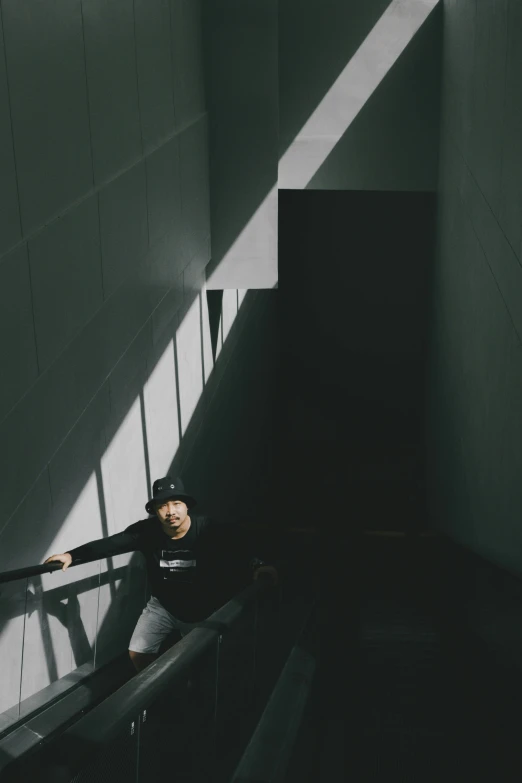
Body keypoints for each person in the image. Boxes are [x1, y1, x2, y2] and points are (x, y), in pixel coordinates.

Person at [44, 476, 279, 673]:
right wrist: (71, 556)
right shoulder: (147, 532)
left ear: (187, 506)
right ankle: (160, 688)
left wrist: (258, 565)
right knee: (138, 652)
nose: (170, 511)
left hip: (203, 609)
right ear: (155, 511)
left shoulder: (207, 528)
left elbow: (239, 546)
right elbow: (110, 544)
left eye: (176, 503)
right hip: (163, 606)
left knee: (206, 662)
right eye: (162, 506)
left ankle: (191, 688)